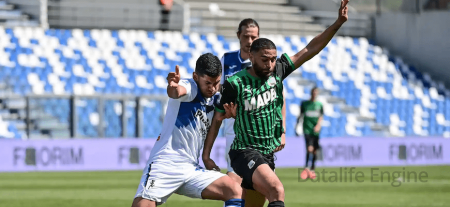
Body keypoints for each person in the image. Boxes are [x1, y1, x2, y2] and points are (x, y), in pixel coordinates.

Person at [202, 1, 349, 206]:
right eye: (265, 59)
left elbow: (310, 49)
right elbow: (217, 117)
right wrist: (206, 155)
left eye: (273, 59)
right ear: (251, 57)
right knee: (276, 190)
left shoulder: (278, 71)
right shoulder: (235, 83)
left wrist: (338, 23)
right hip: (244, 151)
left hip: (267, 153)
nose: (270, 64)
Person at [131, 53, 244, 207]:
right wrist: (173, 87)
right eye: (208, 83)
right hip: (166, 163)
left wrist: (206, 157)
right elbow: (177, 92)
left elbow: (216, 123)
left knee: (233, 190)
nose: (212, 88)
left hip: (190, 168)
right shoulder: (190, 87)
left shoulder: (215, 99)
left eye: (216, 83)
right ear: (196, 77)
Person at [297, 87, 323, 180]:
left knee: (315, 150)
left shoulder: (319, 105)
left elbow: (321, 116)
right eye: (313, 92)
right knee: (309, 148)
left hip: (315, 131)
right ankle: (306, 168)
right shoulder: (305, 104)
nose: (314, 94)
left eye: (316, 93)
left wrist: (318, 125)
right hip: (307, 129)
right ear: (311, 93)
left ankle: (312, 169)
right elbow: (300, 115)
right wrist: (297, 126)